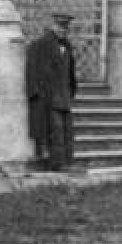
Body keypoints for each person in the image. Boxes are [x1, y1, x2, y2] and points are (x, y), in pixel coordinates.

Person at [25, 23, 78, 171]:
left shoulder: (66, 47)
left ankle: (68, 162)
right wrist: (35, 92)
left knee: (68, 131)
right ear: (52, 28)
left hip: (64, 97)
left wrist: (71, 91)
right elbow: (32, 70)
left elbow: (69, 73)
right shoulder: (40, 46)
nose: (63, 31)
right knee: (56, 131)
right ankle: (57, 164)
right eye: (60, 27)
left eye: (66, 28)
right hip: (49, 98)